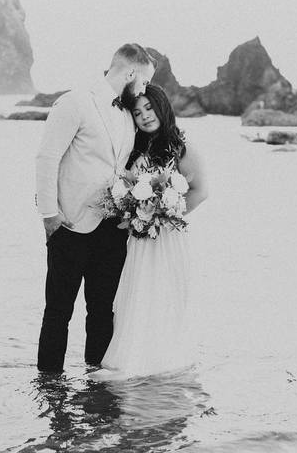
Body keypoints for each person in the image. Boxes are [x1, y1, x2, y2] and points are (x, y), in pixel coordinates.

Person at [34, 43, 157, 373]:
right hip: (70, 225)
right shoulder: (75, 102)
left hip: (111, 227)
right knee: (59, 311)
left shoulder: (127, 116)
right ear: (130, 73)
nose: (144, 90)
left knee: (103, 310)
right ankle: (50, 386)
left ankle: (95, 382)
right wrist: (50, 216)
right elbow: (47, 158)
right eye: (143, 82)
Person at [95, 83, 209, 378]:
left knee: (166, 296)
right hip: (139, 238)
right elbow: (123, 189)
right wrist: (138, 213)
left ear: (162, 108)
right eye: (137, 112)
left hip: (168, 236)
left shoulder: (181, 148)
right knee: (137, 296)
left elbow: (200, 191)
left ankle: (163, 362)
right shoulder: (133, 150)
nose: (144, 116)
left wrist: (166, 214)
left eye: (149, 108)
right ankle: (134, 357)